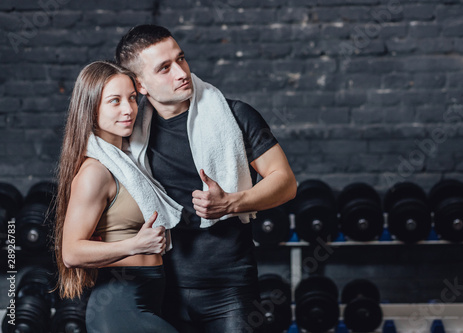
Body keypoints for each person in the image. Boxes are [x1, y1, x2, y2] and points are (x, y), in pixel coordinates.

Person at [115, 25, 297, 332]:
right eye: (164, 68)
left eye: (181, 58)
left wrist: (230, 203)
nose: (181, 72)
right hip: (158, 285)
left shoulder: (235, 116)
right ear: (140, 85)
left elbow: (286, 182)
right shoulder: (129, 133)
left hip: (229, 288)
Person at [53, 60, 178, 333]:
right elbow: (71, 252)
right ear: (91, 108)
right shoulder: (95, 172)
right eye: (114, 101)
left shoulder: (129, 163)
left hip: (147, 298)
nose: (128, 109)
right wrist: (134, 244)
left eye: (132, 98)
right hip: (121, 308)